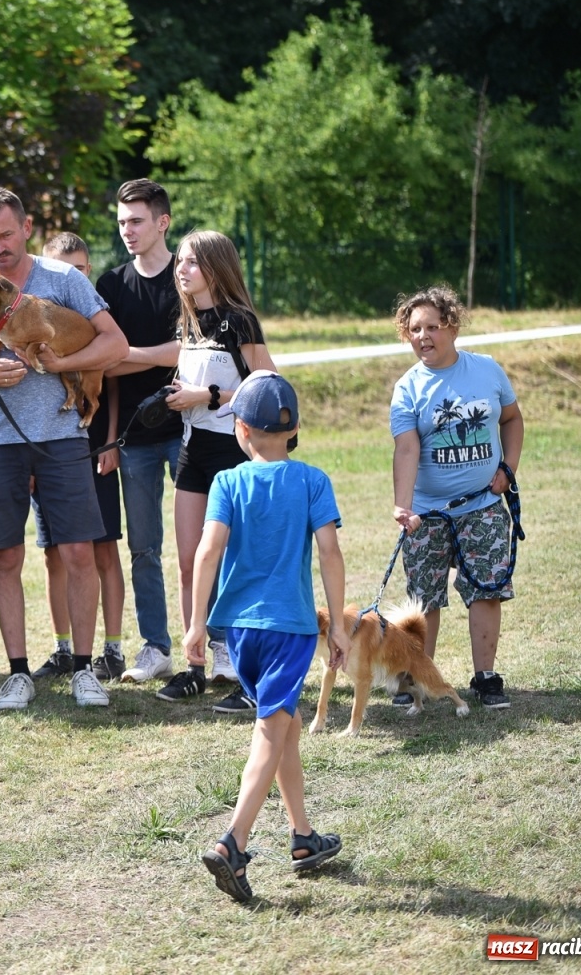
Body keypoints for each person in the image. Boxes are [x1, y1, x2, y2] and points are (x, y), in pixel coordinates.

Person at [0, 187, 129, 711]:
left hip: (63, 438)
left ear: (25, 227)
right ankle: (18, 673)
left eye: (5, 235)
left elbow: (115, 346)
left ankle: (85, 669)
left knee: (78, 553)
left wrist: (56, 364)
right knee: (7, 558)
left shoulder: (63, 280)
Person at [188, 370, 348, 902]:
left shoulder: (226, 482)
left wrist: (193, 624)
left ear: (240, 431)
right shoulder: (312, 481)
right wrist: (341, 628)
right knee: (270, 731)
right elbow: (329, 552)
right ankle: (233, 843)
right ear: (295, 427)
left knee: (286, 726)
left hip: (240, 633)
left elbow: (206, 552)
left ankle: (303, 837)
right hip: (289, 629)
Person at [154, 230, 276, 713]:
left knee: (237, 566)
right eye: (179, 262)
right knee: (189, 562)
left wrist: (205, 397)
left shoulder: (239, 320)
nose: (181, 270)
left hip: (235, 451)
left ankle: (249, 676)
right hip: (192, 451)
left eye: (190, 262)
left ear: (215, 267)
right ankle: (195, 669)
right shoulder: (189, 322)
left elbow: (267, 387)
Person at [390, 285, 524, 709]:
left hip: (482, 505)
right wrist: (405, 506)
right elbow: (407, 448)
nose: (423, 336)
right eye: (414, 329)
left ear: (452, 327)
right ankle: (419, 680)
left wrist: (508, 468)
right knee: (424, 597)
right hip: (427, 514)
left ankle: (485, 678)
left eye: (432, 326)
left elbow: (512, 418)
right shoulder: (408, 388)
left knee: (486, 590)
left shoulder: (486, 371)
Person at [97, 180, 188, 688]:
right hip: (134, 435)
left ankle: (215, 642)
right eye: (121, 222)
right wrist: (111, 434)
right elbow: (104, 369)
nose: (127, 231)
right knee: (144, 548)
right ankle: (156, 646)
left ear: (162, 223)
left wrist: (129, 354)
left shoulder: (189, 276)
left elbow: (189, 351)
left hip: (192, 428)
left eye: (135, 221)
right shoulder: (110, 286)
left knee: (203, 542)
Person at [28, 232, 127, 682]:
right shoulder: (37, 314)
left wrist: (110, 442)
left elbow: (114, 379)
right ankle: (63, 648)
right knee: (54, 554)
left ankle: (114, 648)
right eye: (67, 270)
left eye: (83, 269)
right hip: (45, 450)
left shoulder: (97, 313)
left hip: (94, 449)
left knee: (102, 550)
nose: (76, 277)